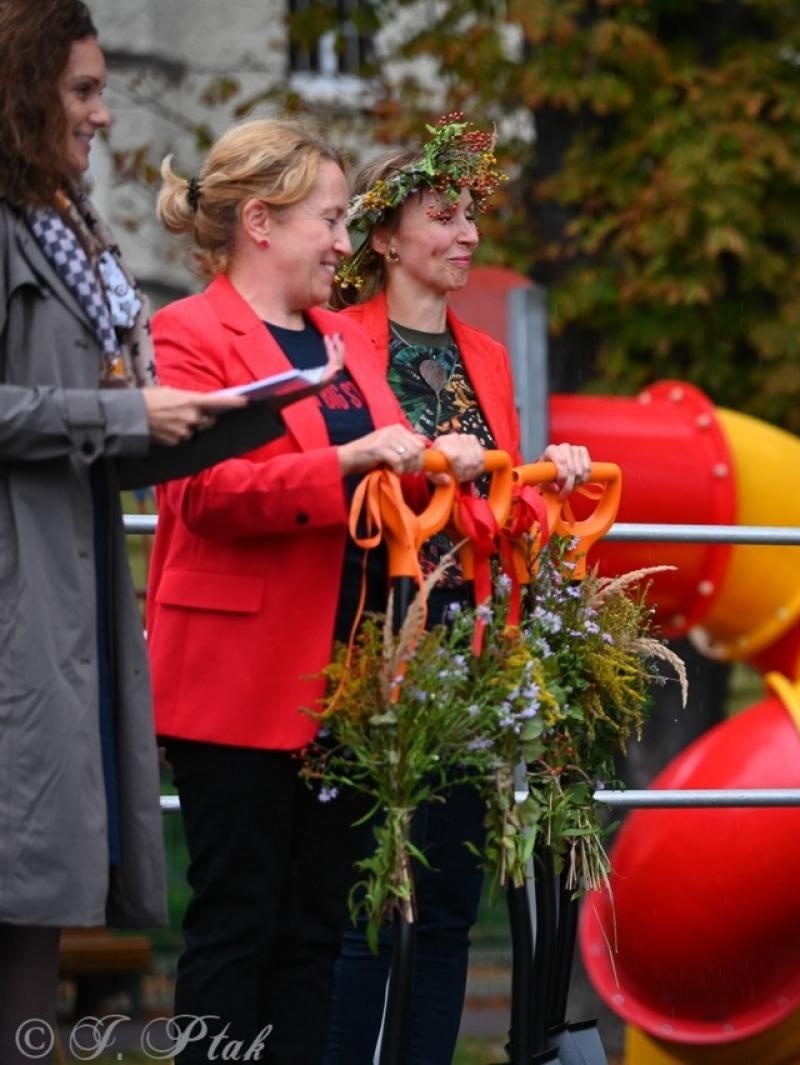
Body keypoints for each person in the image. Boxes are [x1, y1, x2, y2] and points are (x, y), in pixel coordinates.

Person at [144, 116, 487, 1064]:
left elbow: (387, 477)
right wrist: (350, 460)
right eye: (330, 221)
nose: (344, 241)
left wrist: (439, 461)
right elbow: (202, 495)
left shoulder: (340, 337)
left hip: (343, 678)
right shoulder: (187, 332)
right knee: (237, 924)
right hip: (235, 682)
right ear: (261, 221)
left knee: (313, 934)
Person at [0, 3, 257, 1057]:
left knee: (32, 903)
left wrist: (216, 422)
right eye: (83, 90)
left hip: (67, 600)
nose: (103, 114)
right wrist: (120, 417)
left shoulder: (66, 227)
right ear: (22, 93)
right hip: (20, 602)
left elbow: (100, 423)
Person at [323, 119, 590, 1064]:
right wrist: (441, 465)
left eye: (471, 214)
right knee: (368, 894)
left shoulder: (488, 354)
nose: (468, 232)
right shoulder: (339, 340)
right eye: (444, 214)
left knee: (445, 900)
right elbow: (339, 479)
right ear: (385, 236)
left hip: (469, 636)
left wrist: (552, 471)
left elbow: (503, 507)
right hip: (371, 626)